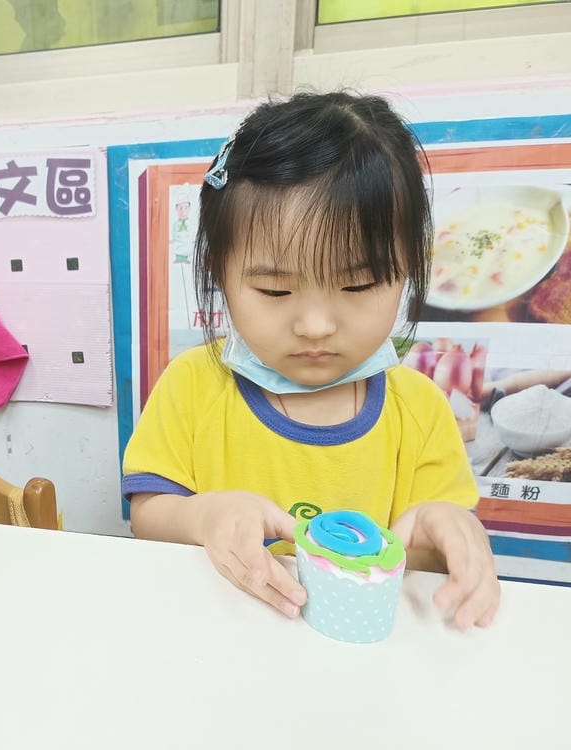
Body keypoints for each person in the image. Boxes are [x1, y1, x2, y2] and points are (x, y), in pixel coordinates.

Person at [123, 91, 500, 630]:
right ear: (219, 272)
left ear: (408, 269)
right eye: (275, 291)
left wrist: (450, 534)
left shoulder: (418, 407)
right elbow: (147, 514)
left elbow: (435, 545)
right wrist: (203, 515)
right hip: (222, 639)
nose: (316, 326)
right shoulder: (194, 384)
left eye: (358, 285)